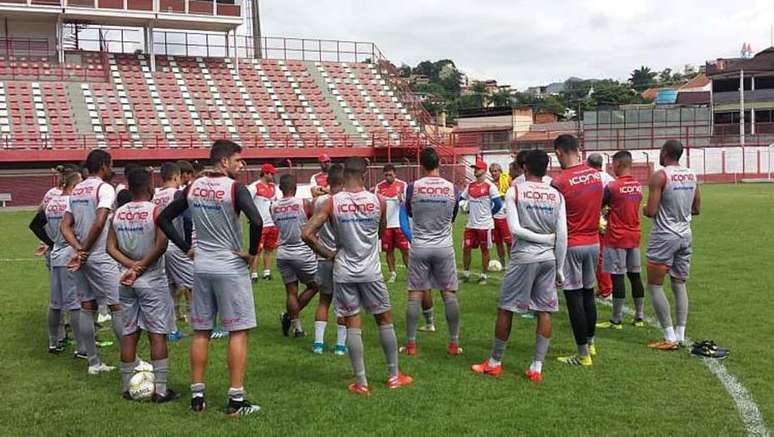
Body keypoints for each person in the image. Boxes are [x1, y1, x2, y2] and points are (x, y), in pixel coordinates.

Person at [157, 140, 264, 416]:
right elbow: (257, 221)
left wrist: (185, 247)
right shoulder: (234, 188)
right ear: (224, 161)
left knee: (201, 331)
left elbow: (164, 219)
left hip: (201, 266)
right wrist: (251, 253)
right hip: (229, 266)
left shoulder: (192, 186)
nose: (242, 165)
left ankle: (197, 396)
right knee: (238, 331)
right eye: (238, 160)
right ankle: (236, 400)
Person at [302, 157, 412, 395]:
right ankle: (394, 375)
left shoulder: (332, 202)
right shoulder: (378, 200)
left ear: (344, 176)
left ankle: (361, 383)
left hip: (344, 271)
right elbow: (381, 231)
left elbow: (307, 233)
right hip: (371, 270)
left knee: (353, 323)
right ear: (364, 175)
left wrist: (328, 253)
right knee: (384, 319)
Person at [472, 149, 567, 382]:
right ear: (547, 168)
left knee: (506, 308)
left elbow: (514, 229)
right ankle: (537, 366)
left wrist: (543, 240)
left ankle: (495, 362)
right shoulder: (556, 195)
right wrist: (560, 267)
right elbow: (563, 234)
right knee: (544, 310)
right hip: (548, 259)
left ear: (525, 168)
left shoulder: (515, 190)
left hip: (524, 258)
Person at [107, 167, 178, 403]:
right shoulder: (156, 211)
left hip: (126, 280)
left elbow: (110, 247)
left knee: (129, 333)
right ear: (150, 187)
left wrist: (130, 266)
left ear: (128, 188)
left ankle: (128, 387)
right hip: (152, 281)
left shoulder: (117, 213)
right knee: (157, 334)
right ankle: (160, 390)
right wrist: (141, 266)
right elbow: (161, 244)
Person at [60, 149, 124, 375]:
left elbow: (64, 226)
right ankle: (132, 361)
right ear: (105, 166)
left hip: (80, 255)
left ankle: (94, 363)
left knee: (87, 306)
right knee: (118, 306)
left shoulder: (77, 189)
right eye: (110, 165)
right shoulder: (104, 188)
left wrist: (77, 249)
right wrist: (85, 250)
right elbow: (99, 222)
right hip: (99, 255)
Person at [401, 147, 462, 357]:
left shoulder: (412, 187)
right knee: (449, 294)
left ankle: (410, 345)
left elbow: (408, 211)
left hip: (419, 246)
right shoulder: (452, 188)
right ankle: (453, 344)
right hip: (444, 246)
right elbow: (453, 215)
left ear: (421, 165)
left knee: (414, 295)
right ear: (439, 164)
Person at [550, 134, 604, 367]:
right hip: (594, 243)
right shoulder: (596, 175)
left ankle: (582, 354)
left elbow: (553, 219)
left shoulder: (559, 182)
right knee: (588, 294)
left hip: (571, 245)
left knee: (573, 299)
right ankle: (590, 342)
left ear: (560, 152)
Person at [643, 140, 700, 350]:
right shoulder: (692, 175)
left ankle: (669, 338)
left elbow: (651, 211)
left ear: (665, 153)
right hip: (686, 234)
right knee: (679, 284)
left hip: (665, 236)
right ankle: (681, 334)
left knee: (655, 285)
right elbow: (697, 208)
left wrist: (644, 210)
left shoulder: (661, 175)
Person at [29, 170, 84, 355]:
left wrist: (51, 242)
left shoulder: (51, 202)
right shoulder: (73, 203)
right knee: (74, 303)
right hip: (70, 253)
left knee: (55, 302)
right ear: (74, 185)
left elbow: (35, 224)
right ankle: (81, 347)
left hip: (55, 254)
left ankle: (53, 343)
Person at [596, 151, 646, 329]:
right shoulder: (638, 185)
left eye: (613, 164)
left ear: (618, 164)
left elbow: (600, 206)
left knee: (617, 277)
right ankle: (639, 317)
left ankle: (616, 320)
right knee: (634, 275)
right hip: (634, 234)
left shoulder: (613, 186)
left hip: (617, 236)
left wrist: (608, 212)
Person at [272, 173, 319, 338]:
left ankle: (297, 328)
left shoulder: (273, 206)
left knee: (291, 291)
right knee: (315, 285)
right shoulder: (304, 203)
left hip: (283, 252)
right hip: (302, 250)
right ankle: (290, 315)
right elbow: (314, 224)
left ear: (280, 188)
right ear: (296, 188)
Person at [310, 164, 349, 355]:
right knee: (343, 303)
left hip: (323, 255)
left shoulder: (318, 202)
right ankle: (341, 346)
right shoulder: (344, 201)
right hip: (342, 257)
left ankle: (318, 343)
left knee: (324, 300)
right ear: (343, 181)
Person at [152, 162, 189, 342]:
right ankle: (206, 325)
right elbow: (188, 219)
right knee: (196, 284)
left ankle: (171, 329)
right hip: (176, 245)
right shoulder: (177, 194)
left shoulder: (155, 197)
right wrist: (187, 244)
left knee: (169, 289)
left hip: (160, 247)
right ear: (176, 177)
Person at [461, 159, 502, 285]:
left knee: (485, 250)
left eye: (478, 168)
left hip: (485, 225)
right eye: (474, 168)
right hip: (471, 224)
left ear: (484, 170)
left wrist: (489, 215)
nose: (475, 170)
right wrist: (464, 206)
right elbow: (461, 198)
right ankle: (466, 274)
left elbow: (498, 205)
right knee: (466, 248)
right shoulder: (470, 185)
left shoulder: (490, 187)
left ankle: (483, 276)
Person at [373, 164, 409, 283]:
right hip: (386, 225)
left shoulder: (403, 185)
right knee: (389, 251)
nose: (388, 177)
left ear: (395, 174)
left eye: (390, 175)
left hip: (400, 224)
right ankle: (392, 273)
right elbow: (376, 204)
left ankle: (411, 272)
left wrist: (401, 200)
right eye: (386, 175)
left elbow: (408, 204)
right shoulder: (379, 187)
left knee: (405, 250)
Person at [587, 153, 615, 299]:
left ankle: (606, 289)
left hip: (593, 222)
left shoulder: (589, 179)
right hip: (608, 221)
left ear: (588, 164)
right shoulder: (610, 179)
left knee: (599, 258)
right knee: (605, 256)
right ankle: (606, 287)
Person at [247, 163, 279, 282]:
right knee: (257, 250)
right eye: (272, 174)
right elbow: (248, 203)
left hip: (272, 223)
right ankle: (254, 274)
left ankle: (267, 272)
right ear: (265, 173)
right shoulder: (254, 187)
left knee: (269, 249)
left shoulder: (273, 187)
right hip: (260, 224)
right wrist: (252, 218)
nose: (273, 176)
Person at [489, 163, 512, 268]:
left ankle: (512, 263)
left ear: (500, 171)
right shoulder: (491, 185)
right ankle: (502, 263)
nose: (493, 173)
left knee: (509, 242)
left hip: (506, 216)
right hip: (494, 217)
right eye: (492, 171)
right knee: (498, 242)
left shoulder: (507, 180)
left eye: (495, 171)